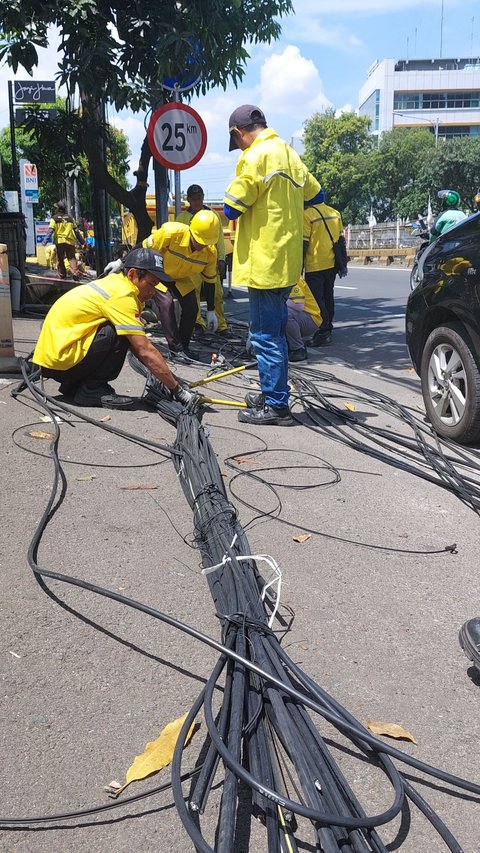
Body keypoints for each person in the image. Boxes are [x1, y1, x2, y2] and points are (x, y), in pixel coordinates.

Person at [224, 104, 322, 425]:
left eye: (236, 141)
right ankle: (271, 392)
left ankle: (276, 406)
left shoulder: (254, 156)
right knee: (274, 331)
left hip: (265, 263)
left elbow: (231, 208)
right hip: (288, 261)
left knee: (265, 335)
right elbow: (317, 195)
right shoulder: (290, 154)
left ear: (239, 134)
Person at [32, 248, 194, 410]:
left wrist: (170, 379)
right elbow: (144, 350)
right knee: (120, 334)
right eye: (151, 284)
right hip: (62, 363)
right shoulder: (122, 295)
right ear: (132, 274)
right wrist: (178, 391)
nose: (153, 292)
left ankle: (76, 386)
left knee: (122, 332)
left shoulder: (116, 285)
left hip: (56, 360)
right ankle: (91, 388)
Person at [141, 210, 219, 361]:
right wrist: (121, 262)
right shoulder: (171, 233)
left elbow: (209, 281)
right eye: (199, 241)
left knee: (192, 307)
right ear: (191, 230)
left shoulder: (210, 253)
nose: (202, 246)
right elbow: (143, 248)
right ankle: (175, 350)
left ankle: (184, 346)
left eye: (206, 243)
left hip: (180, 277)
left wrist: (211, 310)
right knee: (166, 303)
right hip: (158, 273)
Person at [176, 184, 231, 336]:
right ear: (188, 200)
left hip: (210, 260)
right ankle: (198, 323)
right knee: (194, 293)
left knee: (217, 293)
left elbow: (219, 238)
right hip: (191, 262)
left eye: (199, 198)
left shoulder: (213, 215)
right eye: (193, 199)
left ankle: (221, 324)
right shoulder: (182, 219)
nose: (197, 202)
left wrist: (221, 259)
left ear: (203, 197)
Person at [303, 196, 346, 347]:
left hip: (314, 264)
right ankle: (328, 327)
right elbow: (341, 239)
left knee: (316, 299)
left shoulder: (308, 215)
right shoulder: (335, 213)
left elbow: (304, 243)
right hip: (332, 263)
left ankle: (323, 331)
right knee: (328, 296)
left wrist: (298, 265)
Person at [42, 200, 86, 282]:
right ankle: (75, 273)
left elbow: (50, 230)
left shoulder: (54, 218)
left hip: (60, 242)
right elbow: (76, 231)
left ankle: (62, 275)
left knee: (60, 259)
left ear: (58, 208)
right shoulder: (70, 218)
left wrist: (45, 241)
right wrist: (83, 242)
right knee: (72, 258)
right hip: (70, 242)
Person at [286, 278, 322, 362]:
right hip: (300, 316)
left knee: (285, 315)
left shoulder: (294, 279)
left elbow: (298, 306)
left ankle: (298, 349)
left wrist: (275, 300)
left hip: (311, 319)